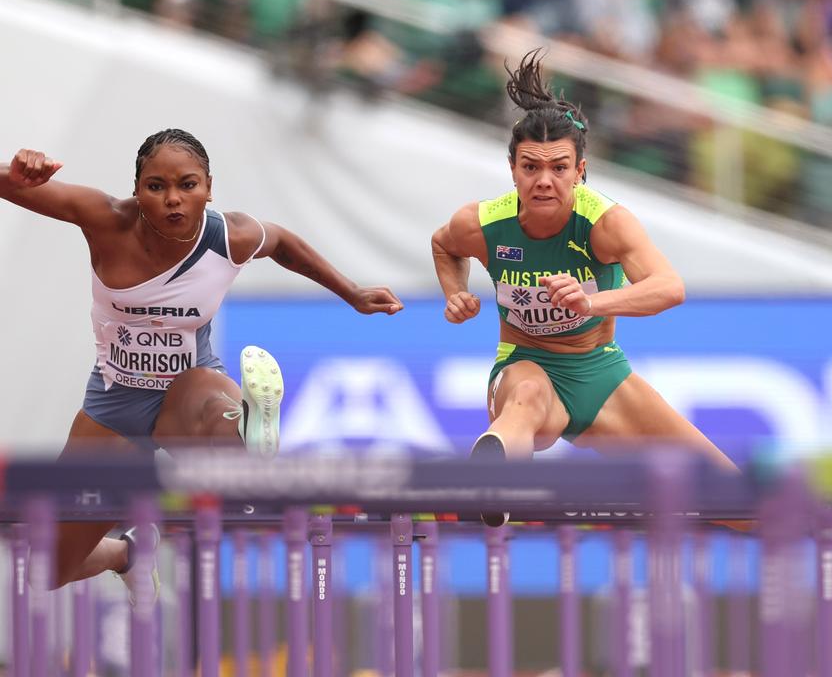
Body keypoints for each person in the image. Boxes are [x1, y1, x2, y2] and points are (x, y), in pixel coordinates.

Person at [0, 129, 403, 591]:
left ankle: (245, 425)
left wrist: (350, 292)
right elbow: (10, 186)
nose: (173, 200)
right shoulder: (106, 219)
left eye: (187, 185)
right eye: (157, 187)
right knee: (43, 569)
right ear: (137, 191)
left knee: (216, 422)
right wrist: (20, 171)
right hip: (113, 406)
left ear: (209, 187)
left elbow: (284, 243)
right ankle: (130, 552)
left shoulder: (229, 236)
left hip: (187, 388)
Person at [430, 50, 735, 522]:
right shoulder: (480, 223)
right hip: (525, 364)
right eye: (531, 168)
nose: (544, 181)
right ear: (512, 170)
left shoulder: (606, 223)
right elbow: (442, 245)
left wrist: (590, 302)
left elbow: (668, 287)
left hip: (600, 375)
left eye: (559, 168)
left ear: (581, 171)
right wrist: (455, 291)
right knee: (527, 398)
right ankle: (491, 484)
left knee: (736, 504)